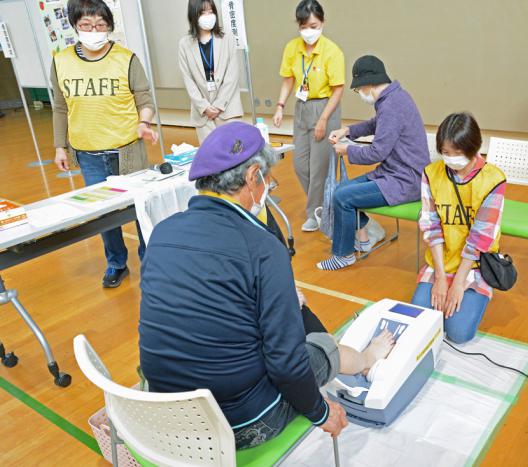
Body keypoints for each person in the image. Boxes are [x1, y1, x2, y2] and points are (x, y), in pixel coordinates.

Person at [139, 122, 395, 449]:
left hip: (164, 414)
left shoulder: (162, 232)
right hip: (238, 425)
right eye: (269, 180)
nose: (268, 187)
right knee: (319, 348)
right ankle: (368, 357)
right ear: (252, 176)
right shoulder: (262, 248)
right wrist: (320, 413)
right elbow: (287, 365)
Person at [53, 0, 158, 288]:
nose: (93, 31)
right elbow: (60, 107)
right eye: (86, 25)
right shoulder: (61, 60)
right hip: (88, 152)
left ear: (109, 26)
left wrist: (144, 123)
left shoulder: (126, 58)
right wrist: (60, 146)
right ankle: (116, 263)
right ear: (75, 26)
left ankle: (150, 263)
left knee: (140, 208)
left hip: (127, 148)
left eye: (100, 25)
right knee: (104, 214)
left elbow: (145, 100)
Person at [317, 56, 430, 270]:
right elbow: (374, 124)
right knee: (342, 189)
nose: (359, 93)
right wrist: (347, 131)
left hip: (405, 180)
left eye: (357, 89)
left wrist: (347, 149)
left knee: (342, 196)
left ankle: (344, 254)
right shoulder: (393, 98)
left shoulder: (391, 106)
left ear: (366, 84)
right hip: (394, 173)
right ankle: (366, 237)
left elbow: (377, 152)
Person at [410, 113, 506, 343]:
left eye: (457, 153)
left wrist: (459, 283)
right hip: (442, 262)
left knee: (459, 333)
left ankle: (478, 296)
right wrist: (441, 278)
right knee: (420, 324)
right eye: (445, 153)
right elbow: (431, 228)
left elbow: (480, 239)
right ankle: (445, 285)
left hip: (473, 264)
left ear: (474, 148)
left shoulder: (493, 179)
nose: (451, 159)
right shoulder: (431, 174)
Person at [273, 0, 344, 232]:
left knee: (320, 166)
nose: (308, 31)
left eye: (313, 25)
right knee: (300, 164)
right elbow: (288, 79)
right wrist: (280, 106)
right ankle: (323, 205)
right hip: (302, 107)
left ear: (322, 23)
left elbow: (338, 89)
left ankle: (315, 213)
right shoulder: (292, 48)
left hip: (325, 107)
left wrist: (323, 119)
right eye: (304, 26)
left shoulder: (332, 51)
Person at [178, 0, 242, 144]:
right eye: (202, 12)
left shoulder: (227, 39)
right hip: (203, 115)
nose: (208, 16)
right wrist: (204, 107)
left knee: (234, 156)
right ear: (193, 16)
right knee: (211, 159)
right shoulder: (184, 44)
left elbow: (232, 75)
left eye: (211, 11)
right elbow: (188, 80)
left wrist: (218, 105)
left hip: (228, 110)